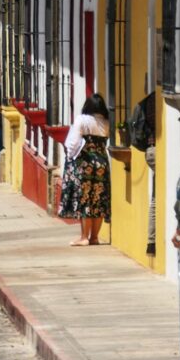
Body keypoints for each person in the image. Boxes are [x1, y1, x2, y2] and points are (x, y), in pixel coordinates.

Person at [58, 94, 111, 246]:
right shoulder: (106, 122)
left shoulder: (82, 120)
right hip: (102, 162)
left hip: (85, 163)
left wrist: (69, 156)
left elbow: (73, 142)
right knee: (99, 200)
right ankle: (94, 237)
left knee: (85, 199)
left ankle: (83, 237)